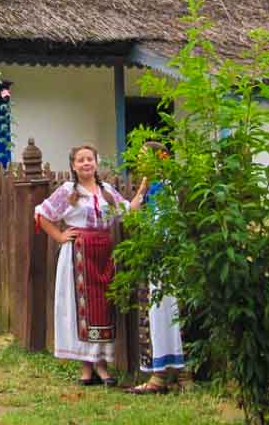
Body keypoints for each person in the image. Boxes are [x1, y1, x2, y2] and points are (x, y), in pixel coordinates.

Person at [34, 144, 147, 386]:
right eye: (80, 160)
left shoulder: (107, 191)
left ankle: (102, 366)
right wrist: (60, 236)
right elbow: (42, 215)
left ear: (96, 163)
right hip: (78, 255)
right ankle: (86, 367)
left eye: (90, 159)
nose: (86, 163)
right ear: (73, 165)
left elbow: (126, 212)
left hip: (103, 254)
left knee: (103, 308)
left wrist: (143, 190)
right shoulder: (68, 191)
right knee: (81, 309)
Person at [127, 141, 186, 394]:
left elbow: (163, 226)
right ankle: (162, 375)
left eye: (143, 158)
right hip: (157, 258)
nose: (139, 163)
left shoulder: (165, 187)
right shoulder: (153, 187)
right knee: (157, 313)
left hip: (165, 257)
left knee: (166, 311)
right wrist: (142, 186)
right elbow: (131, 212)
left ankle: (170, 376)